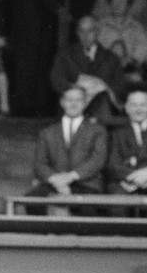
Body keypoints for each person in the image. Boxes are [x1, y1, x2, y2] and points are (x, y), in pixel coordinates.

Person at [25, 85, 108, 214]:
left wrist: (70, 177)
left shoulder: (97, 130)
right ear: (62, 102)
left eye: (78, 100)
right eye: (70, 100)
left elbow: (97, 160)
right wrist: (56, 180)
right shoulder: (47, 132)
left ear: (85, 103)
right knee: (32, 202)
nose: (74, 104)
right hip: (54, 183)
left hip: (86, 183)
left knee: (88, 208)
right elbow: (39, 163)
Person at [49, 15, 126, 120]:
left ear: (97, 32)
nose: (86, 35)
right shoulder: (66, 55)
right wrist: (76, 87)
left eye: (90, 31)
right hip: (73, 104)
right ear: (77, 33)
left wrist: (102, 88)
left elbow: (120, 85)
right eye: (82, 31)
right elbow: (56, 80)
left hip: (102, 108)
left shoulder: (111, 58)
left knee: (102, 101)